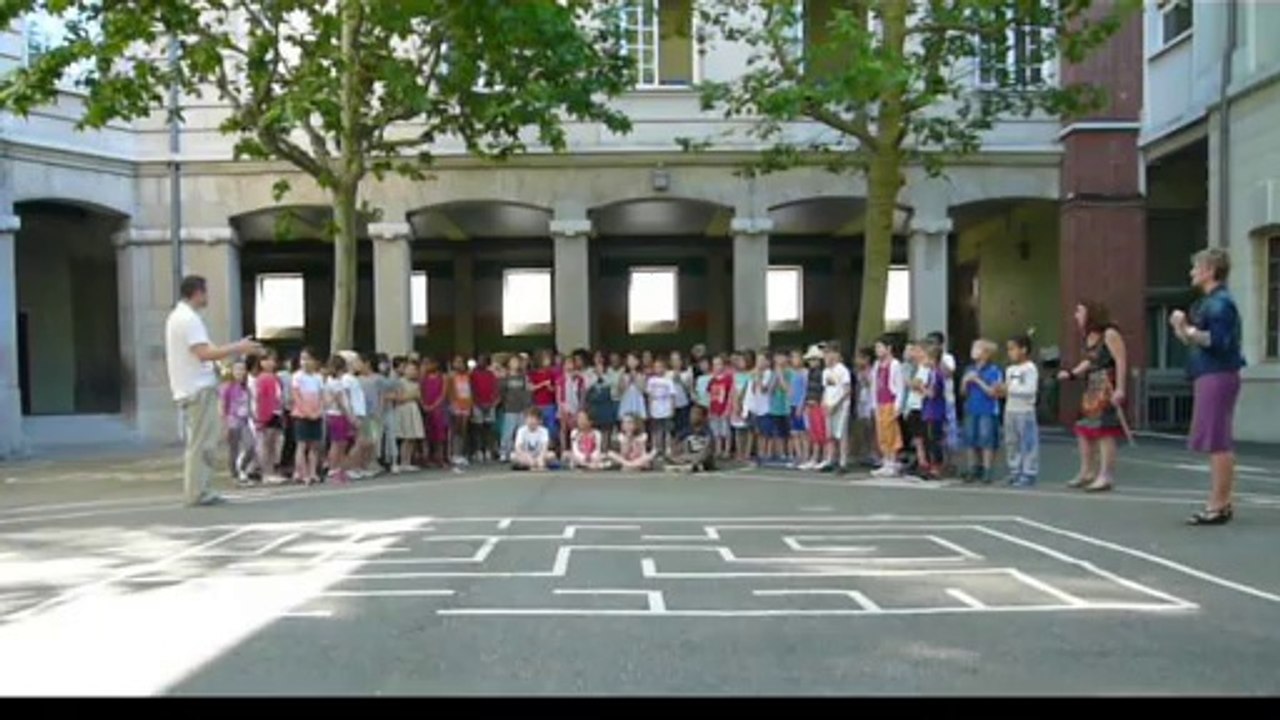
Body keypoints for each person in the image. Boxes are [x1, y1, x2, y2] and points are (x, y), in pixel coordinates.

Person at [164, 275, 261, 507]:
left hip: (191, 386)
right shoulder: (189, 319)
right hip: (197, 388)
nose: (208, 297)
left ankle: (200, 489)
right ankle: (198, 492)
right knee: (202, 443)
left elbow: (204, 354)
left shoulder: (180, 317)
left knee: (201, 441)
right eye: (205, 292)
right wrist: (238, 347)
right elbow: (204, 353)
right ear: (197, 293)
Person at [1170, 248, 1246, 525]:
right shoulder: (1210, 302)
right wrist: (1182, 328)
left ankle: (1219, 504)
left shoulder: (1220, 303)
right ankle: (1220, 502)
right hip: (1209, 373)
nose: (1192, 272)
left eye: (1196, 267)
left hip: (1217, 373)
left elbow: (1217, 341)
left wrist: (1187, 329)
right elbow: (1196, 340)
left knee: (1218, 440)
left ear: (1210, 270)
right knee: (1217, 438)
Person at [1057, 301, 1129, 493]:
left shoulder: (1110, 334)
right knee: (1083, 429)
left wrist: (1120, 388)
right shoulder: (1089, 337)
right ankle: (1087, 471)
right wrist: (1072, 374)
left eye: (1079, 311)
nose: (1076, 315)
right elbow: (1089, 361)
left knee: (1104, 431)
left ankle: (1106, 475)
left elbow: (1121, 361)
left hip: (1107, 384)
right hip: (1092, 386)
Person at [961, 339, 1004, 484]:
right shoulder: (969, 369)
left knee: (987, 439)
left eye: (977, 348)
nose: (973, 351)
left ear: (986, 354)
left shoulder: (994, 371)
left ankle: (987, 469)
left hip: (987, 409)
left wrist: (978, 380)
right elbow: (963, 392)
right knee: (970, 439)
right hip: (971, 408)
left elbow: (993, 392)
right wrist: (965, 382)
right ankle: (973, 468)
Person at [1002, 335, 1040, 488]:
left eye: (1012, 349)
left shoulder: (1030, 368)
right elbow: (1007, 388)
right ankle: (1014, 469)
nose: (1010, 352)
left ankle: (1029, 471)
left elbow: (1030, 390)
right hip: (1010, 408)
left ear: (1023, 350)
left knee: (1028, 441)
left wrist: (1009, 388)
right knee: (1012, 441)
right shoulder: (1010, 369)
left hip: (1025, 410)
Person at [291, 347, 326, 485]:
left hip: (316, 414)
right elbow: (297, 397)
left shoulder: (318, 377)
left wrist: (318, 411)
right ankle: (303, 473)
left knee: (314, 445)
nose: (305, 362)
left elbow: (322, 396)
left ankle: (313, 472)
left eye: (308, 359)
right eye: (302, 359)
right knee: (302, 444)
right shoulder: (297, 376)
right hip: (301, 414)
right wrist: (307, 412)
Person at [870, 338, 904, 478]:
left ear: (888, 348)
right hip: (880, 402)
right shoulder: (877, 365)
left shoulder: (895, 364)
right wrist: (874, 404)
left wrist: (898, 405)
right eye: (876, 348)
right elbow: (874, 386)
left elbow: (900, 387)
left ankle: (893, 461)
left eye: (880, 347)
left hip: (890, 401)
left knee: (891, 432)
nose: (877, 350)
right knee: (881, 433)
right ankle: (886, 461)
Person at [252, 350, 286, 484]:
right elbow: (260, 399)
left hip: (277, 412)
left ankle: (272, 470)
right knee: (266, 443)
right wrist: (262, 416)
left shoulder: (276, 378)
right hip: (267, 413)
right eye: (265, 360)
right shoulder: (262, 378)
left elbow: (279, 396)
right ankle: (266, 472)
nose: (269, 363)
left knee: (274, 443)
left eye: (272, 360)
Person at [220, 360, 255, 485]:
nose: (240, 372)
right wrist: (224, 425)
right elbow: (222, 406)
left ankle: (242, 469)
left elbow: (249, 404)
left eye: (242, 369)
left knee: (251, 446)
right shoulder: (227, 387)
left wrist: (252, 417)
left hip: (245, 420)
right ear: (232, 371)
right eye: (237, 369)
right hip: (232, 421)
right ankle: (235, 475)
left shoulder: (246, 387)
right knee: (233, 449)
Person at [819, 345, 852, 474]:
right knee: (830, 434)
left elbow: (847, 390)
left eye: (828, 353)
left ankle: (843, 462)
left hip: (841, 407)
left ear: (835, 354)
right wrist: (824, 402)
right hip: (829, 405)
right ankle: (830, 460)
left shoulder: (843, 370)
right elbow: (826, 389)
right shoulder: (825, 372)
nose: (826, 357)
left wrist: (836, 405)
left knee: (842, 434)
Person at [393, 360, 424, 473]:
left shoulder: (416, 383)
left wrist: (415, 396)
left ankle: (408, 461)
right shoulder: (399, 382)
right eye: (410, 369)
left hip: (413, 409)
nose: (413, 372)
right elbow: (399, 398)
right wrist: (412, 395)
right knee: (406, 437)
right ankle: (402, 462)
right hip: (404, 410)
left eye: (414, 370)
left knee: (412, 437)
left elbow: (419, 397)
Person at [499, 355, 532, 463]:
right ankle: (504, 452)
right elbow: (501, 392)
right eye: (512, 361)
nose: (515, 363)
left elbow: (526, 392)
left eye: (517, 361)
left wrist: (527, 406)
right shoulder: (505, 378)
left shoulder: (523, 377)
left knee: (521, 432)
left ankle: (520, 452)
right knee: (508, 432)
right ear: (508, 364)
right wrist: (504, 404)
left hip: (521, 409)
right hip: (510, 409)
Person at [665, 405, 715, 473]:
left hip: (701, 457)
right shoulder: (687, 430)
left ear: (703, 417)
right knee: (684, 442)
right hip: (688, 456)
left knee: (704, 455)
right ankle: (689, 465)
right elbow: (675, 441)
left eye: (696, 414)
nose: (692, 417)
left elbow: (708, 448)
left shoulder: (707, 431)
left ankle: (689, 465)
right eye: (691, 414)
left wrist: (696, 458)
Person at [470, 354, 500, 463]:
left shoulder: (490, 374)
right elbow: (472, 390)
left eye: (483, 360)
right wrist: (478, 403)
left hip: (490, 404)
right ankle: (478, 450)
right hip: (477, 404)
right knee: (478, 428)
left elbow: (495, 389)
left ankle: (487, 450)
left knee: (488, 428)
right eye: (479, 360)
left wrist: (492, 403)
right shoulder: (473, 374)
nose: (481, 362)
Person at [446, 355, 473, 467]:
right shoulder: (451, 376)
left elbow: (470, 390)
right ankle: (453, 454)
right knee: (455, 429)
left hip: (466, 404)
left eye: (461, 362)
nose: (459, 364)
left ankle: (460, 453)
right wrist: (452, 403)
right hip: (456, 405)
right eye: (457, 362)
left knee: (463, 430)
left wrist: (470, 405)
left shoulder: (467, 376)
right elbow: (449, 391)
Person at [647, 358, 677, 456]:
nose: (658, 369)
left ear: (664, 368)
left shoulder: (668, 381)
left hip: (666, 409)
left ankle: (668, 448)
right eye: (656, 367)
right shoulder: (651, 380)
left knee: (668, 430)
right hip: (655, 409)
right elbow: (650, 396)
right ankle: (657, 448)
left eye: (660, 367)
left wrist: (672, 409)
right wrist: (649, 408)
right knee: (657, 430)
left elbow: (672, 395)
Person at [707, 355, 734, 460]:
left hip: (724, 408)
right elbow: (710, 396)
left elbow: (730, 395)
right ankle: (718, 449)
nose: (716, 366)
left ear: (723, 366)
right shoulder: (712, 380)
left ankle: (727, 450)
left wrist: (728, 408)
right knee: (716, 431)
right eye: (714, 364)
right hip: (714, 408)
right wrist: (709, 409)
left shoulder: (728, 379)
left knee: (725, 431)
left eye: (718, 364)